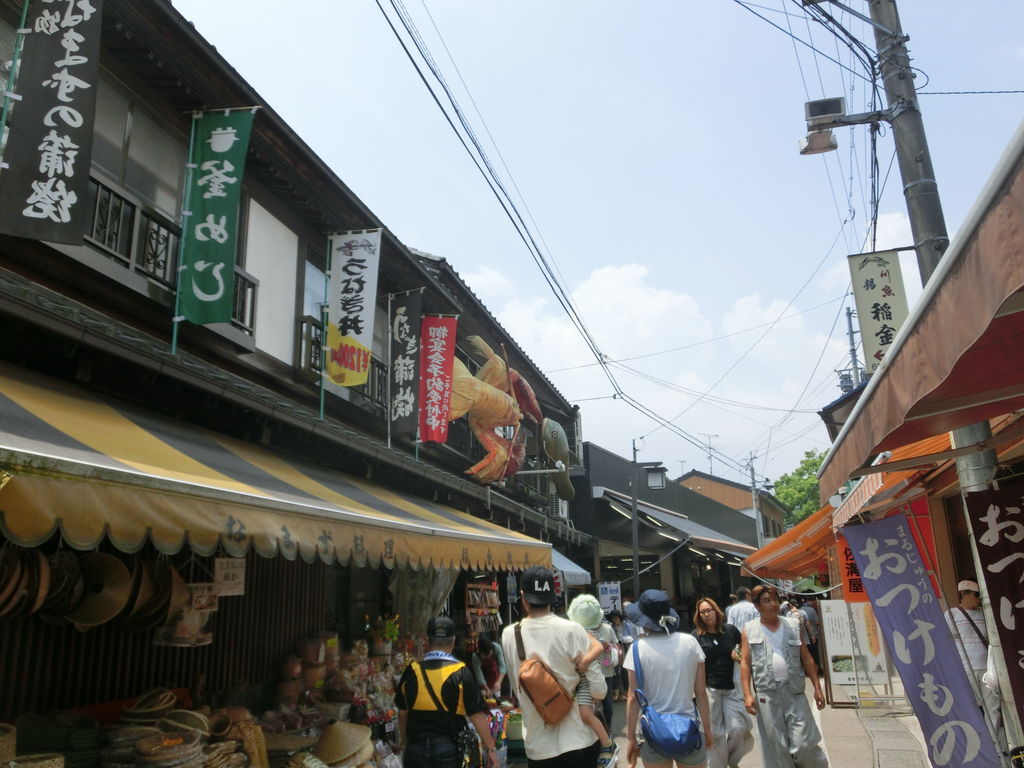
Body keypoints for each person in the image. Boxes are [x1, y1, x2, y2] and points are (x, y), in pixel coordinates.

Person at [502, 566, 610, 768]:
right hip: (579, 740)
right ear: (553, 597)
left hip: (539, 746)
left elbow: (517, 685)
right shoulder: (572, 630)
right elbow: (599, 689)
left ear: (523, 597)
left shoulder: (510, 634)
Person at [739, 585, 827, 768]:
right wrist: (747, 694)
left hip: (794, 691)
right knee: (776, 747)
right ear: (757, 606)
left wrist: (817, 688)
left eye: (775, 600)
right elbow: (745, 663)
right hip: (766, 694)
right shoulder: (749, 629)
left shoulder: (792, 625)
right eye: (767, 601)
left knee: (803, 743)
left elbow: (807, 658)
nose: (773, 604)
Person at [624, 589, 713, 768]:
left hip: (653, 732)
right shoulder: (690, 642)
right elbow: (701, 693)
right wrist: (708, 730)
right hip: (689, 729)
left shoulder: (637, 648)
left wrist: (631, 738)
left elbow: (633, 698)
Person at [397, 615, 499, 768]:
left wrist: (405, 743)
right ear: (452, 642)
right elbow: (476, 715)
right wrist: (490, 749)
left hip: (415, 749)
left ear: (426, 641)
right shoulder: (461, 672)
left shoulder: (411, 671)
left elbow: (402, 713)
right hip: (448, 750)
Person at [693, 597, 754, 768]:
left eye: (709, 610)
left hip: (732, 688)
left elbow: (744, 647)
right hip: (709, 690)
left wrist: (738, 651)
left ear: (716, 611)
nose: (707, 614)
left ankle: (732, 761)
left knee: (739, 728)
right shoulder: (696, 636)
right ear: (699, 616)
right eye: (703, 612)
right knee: (715, 734)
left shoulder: (730, 631)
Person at [945, 579, 1004, 749]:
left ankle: (992, 746)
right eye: (977, 595)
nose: (979, 599)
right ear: (964, 594)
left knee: (992, 707)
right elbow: (945, 642)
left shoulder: (984, 614)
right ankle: (972, 744)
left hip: (987, 669)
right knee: (968, 706)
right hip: (964, 669)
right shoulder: (951, 615)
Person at [566, 594, 621, 766]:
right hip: (587, 681)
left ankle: (608, 744)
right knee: (588, 714)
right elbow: (603, 646)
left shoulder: (586, 633)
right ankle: (602, 743)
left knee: (586, 714)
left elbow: (599, 648)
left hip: (586, 682)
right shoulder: (592, 632)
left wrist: (585, 662)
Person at [608, 610, 633, 702]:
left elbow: (631, 636)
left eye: (616, 618)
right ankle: (617, 693)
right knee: (616, 672)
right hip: (616, 650)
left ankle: (625, 693)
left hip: (626, 648)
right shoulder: (612, 627)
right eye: (613, 618)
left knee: (625, 671)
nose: (615, 620)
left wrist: (624, 639)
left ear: (620, 618)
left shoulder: (627, 624)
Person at [470, 634, 506, 698]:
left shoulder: (497, 648)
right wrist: (486, 688)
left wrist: (499, 682)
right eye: (486, 655)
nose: (488, 656)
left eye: (490, 654)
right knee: (485, 698)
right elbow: (479, 675)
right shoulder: (475, 656)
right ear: (480, 652)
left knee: (496, 699)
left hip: (495, 676)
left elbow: (502, 667)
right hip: (483, 681)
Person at [796, 598, 821, 673]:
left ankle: (808, 671)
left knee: (806, 654)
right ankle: (816, 670)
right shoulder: (811, 610)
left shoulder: (797, 611)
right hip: (813, 636)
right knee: (815, 654)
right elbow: (817, 622)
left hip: (803, 638)